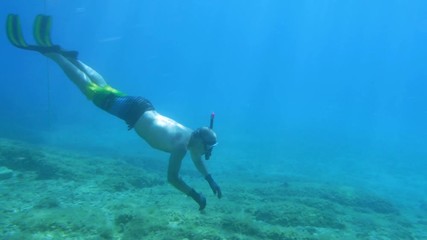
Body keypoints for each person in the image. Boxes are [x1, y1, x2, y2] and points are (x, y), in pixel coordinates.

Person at [6, 14, 221, 210]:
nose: (208, 152)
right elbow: (172, 178)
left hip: (143, 106)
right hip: (132, 112)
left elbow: (197, 157)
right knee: (90, 91)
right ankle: (53, 55)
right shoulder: (180, 148)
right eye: (208, 148)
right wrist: (195, 195)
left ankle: (71, 58)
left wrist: (209, 179)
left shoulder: (190, 135)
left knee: (104, 87)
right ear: (200, 143)